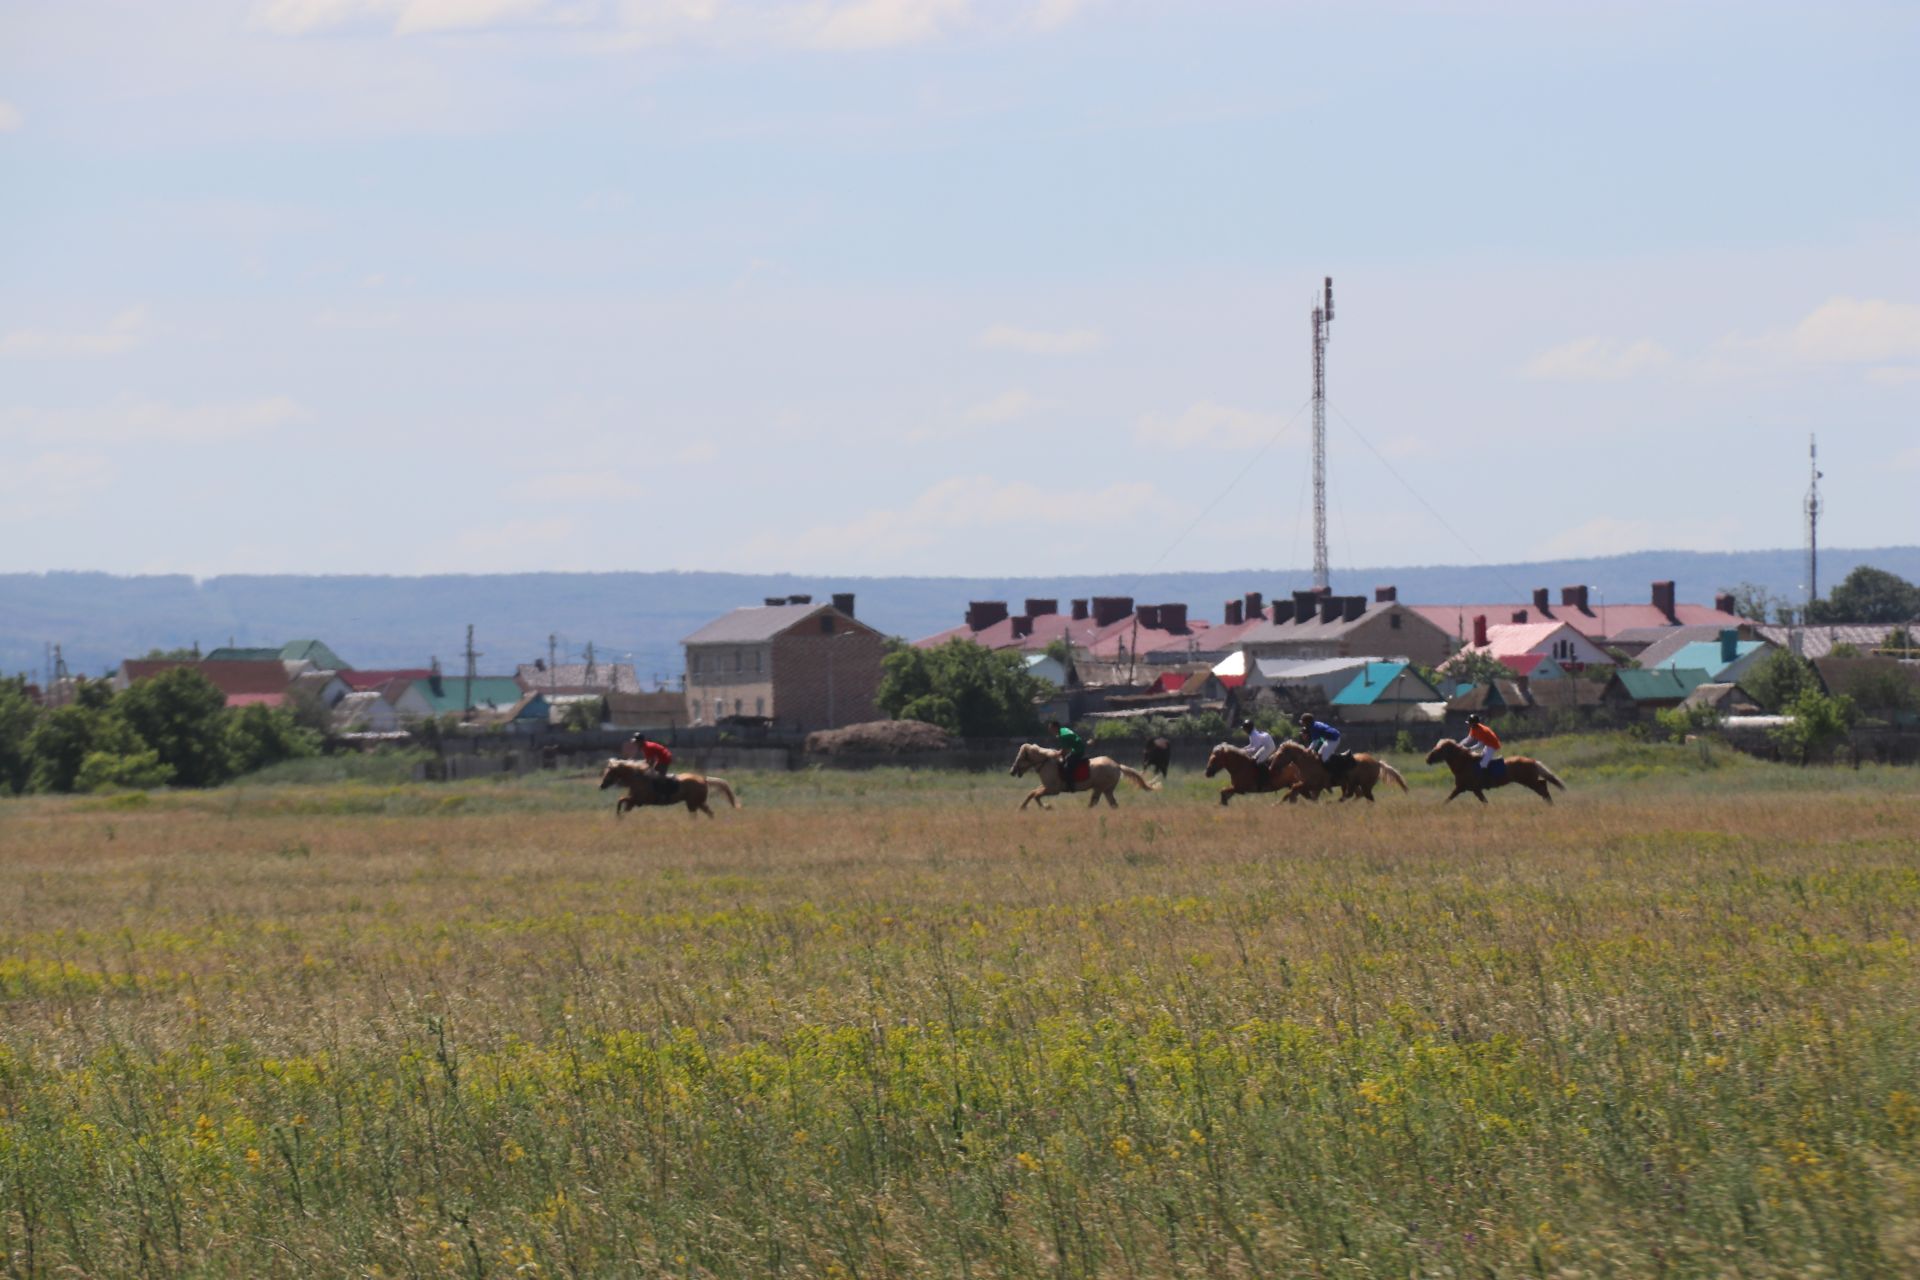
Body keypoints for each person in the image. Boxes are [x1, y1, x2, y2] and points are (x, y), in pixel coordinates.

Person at [628, 732, 678, 800]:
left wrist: (644, 767)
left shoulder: (647, 747)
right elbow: (648, 760)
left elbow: (650, 762)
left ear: (641, 742)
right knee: (652, 774)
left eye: (637, 742)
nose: (635, 744)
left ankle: (665, 794)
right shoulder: (645, 746)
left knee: (658, 777)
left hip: (665, 758)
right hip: (660, 759)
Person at [1047, 718, 1087, 791]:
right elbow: (1065, 748)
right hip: (1075, 748)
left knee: (1067, 766)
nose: (1050, 731)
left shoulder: (1063, 735)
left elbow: (1065, 751)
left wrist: (1056, 754)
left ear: (1055, 727)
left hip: (1078, 750)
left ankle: (1071, 785)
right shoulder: (1063, 730)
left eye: (1051, 729)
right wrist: (1058, 752)